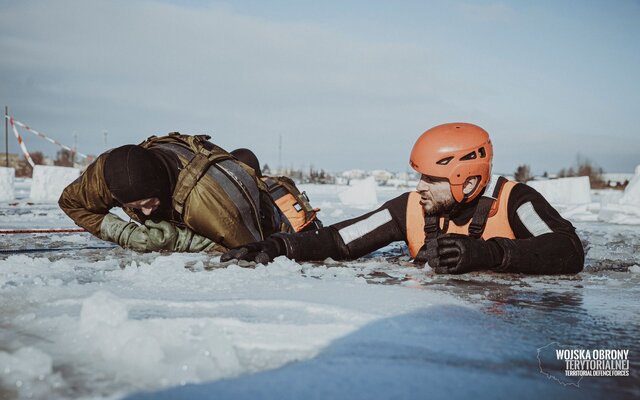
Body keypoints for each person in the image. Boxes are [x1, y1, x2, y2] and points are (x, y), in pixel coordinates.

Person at [222, 123, 585, 275]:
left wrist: (489, 253)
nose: (421, 187)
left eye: (432, 178)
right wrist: (281, 246)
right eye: (420, 177)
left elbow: (568, 250)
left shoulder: (514, 200)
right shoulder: (410, 208)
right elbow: (339, 240)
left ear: (467, 180)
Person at [59, 132, 320, 253]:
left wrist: (173, 239)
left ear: (161, 185)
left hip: (238, 211)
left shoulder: (211, 205)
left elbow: (248, 251)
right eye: (135, 208)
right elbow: (71, 202)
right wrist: (124, 232)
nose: (146, 213)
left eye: (150, 203)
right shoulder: (108, 173)